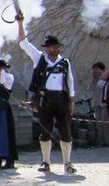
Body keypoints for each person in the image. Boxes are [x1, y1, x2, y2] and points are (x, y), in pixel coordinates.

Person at [18, 15, 76, 174]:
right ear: (46, 48)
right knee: (46, 131)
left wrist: (72, 101)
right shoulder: (39, 58)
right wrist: (20, 23)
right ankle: (46, 162)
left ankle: (67, 163)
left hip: (62, 100)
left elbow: (70, 82)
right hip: (45, 99)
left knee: (66, 132)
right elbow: (23, 43)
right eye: (51, 47)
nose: (54, 50)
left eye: (56, 47)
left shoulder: (65, 62)